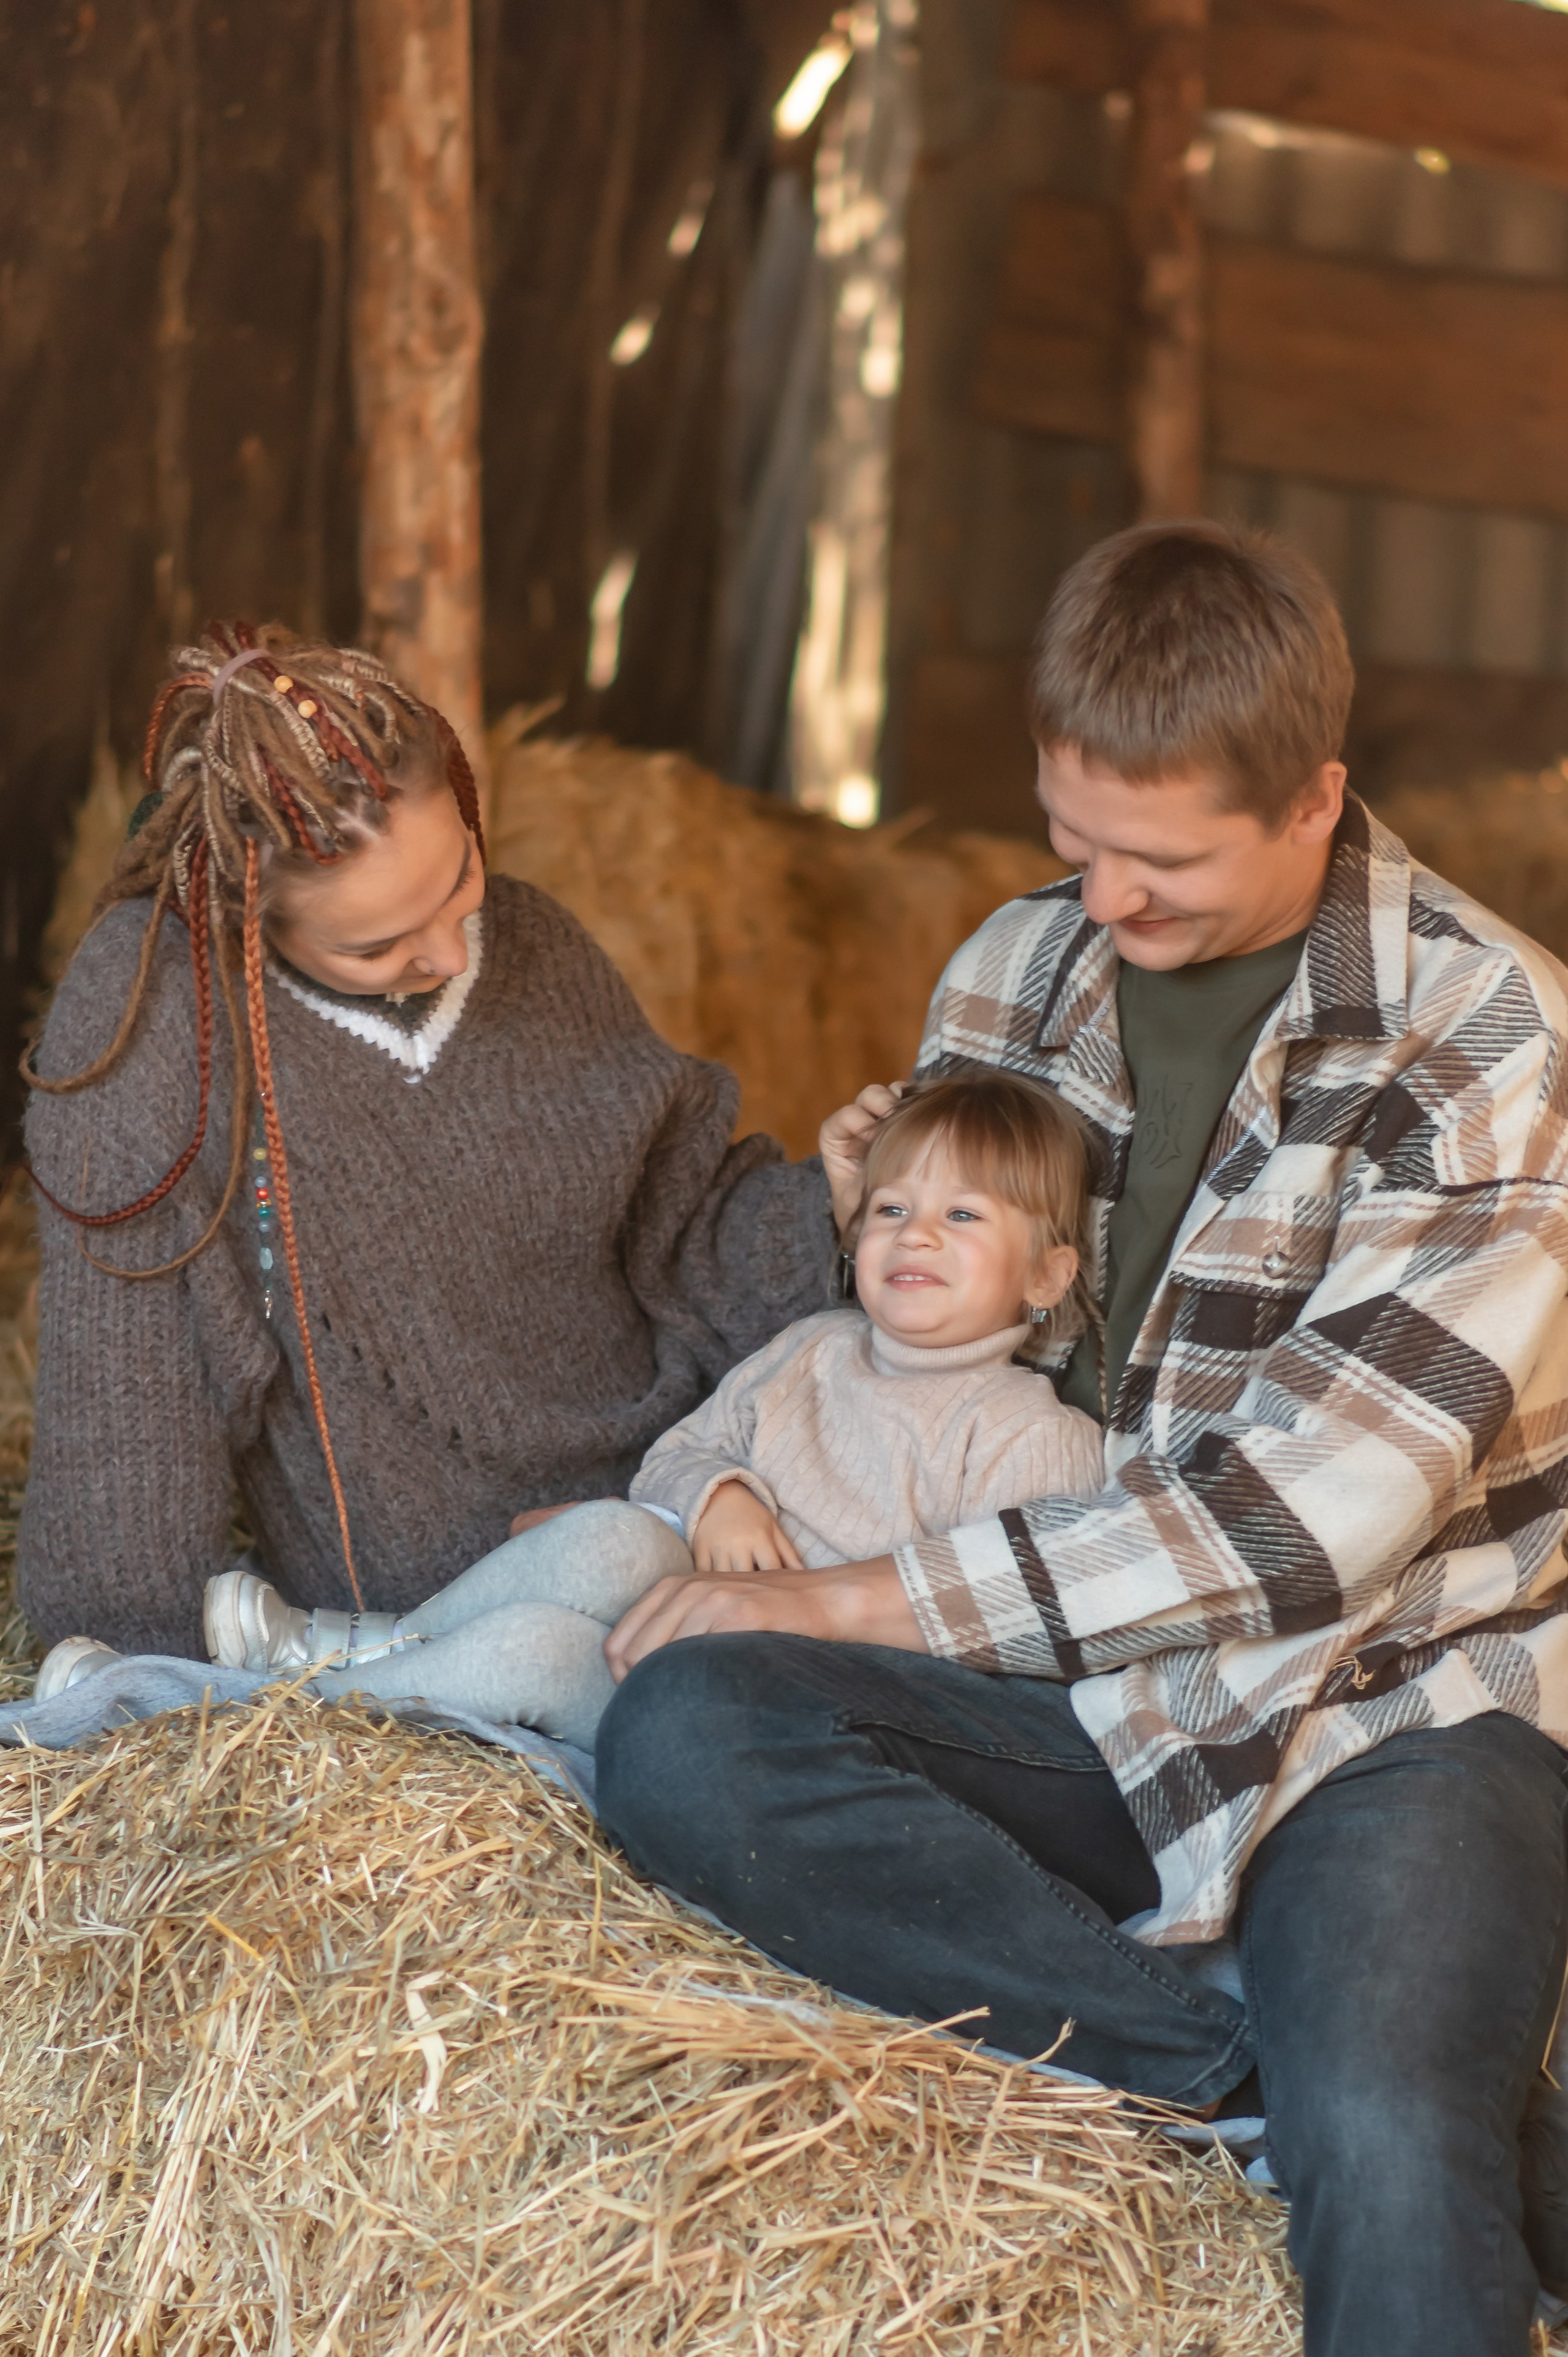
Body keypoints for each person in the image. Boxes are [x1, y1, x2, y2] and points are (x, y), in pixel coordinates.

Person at [594, 521, 1568, 2356]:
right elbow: (966, 1309)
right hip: (1082, 1671)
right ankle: (1235, 2067)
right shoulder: (1015, 970)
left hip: (1384, 1698)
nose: (1101, 905)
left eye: (1164, 860)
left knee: (1390, 2125)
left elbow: (1309, 1528)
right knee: (686, 1730)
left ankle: (1372, 2104)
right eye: (1071, 838)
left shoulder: (1486, 1039)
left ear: (1316, 801)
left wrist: (855, 1600)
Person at [19, 624, 835, 1671]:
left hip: (685, 1492)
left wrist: (851, 1210)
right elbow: (127, 1373)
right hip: (442, 1573)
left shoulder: (536, 946)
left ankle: (360, 1662)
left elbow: (687, 1219)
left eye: (458, 879)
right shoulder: (158, 1014)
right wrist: (132, 1655)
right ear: (238, 909)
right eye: (376, 945)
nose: (451, 949)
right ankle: (387, 1656)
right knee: (578, 1624)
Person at [157, 1073, 1103, 1746]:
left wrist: (792, 1609)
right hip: (652, 1631)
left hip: (751, 1713)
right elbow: (676, 1457)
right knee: (618, 1536)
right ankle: (353, 1647)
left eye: (965, 1217)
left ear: (1049, 1275)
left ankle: (239, 1721)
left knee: (530, 1658)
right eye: (892, 1209)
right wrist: (720, 1495)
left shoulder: (1028, 1437)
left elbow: (992, 1642)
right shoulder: (812, 1348)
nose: (917, 1235)